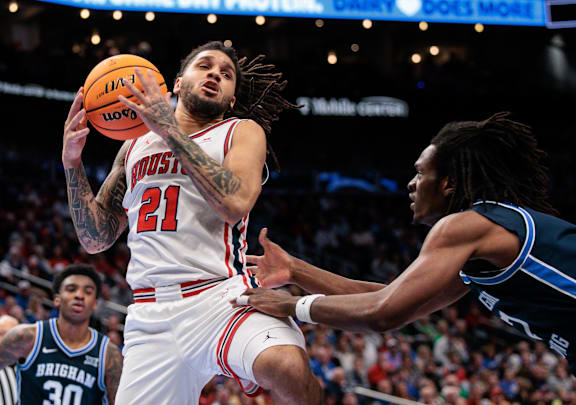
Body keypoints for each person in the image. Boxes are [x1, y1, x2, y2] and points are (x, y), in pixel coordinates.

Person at [62, 40, 321, 404]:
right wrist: (72, 163)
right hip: (152, 314)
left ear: (231, 99)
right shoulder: (134, 146)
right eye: (204, 66)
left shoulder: (240, 132)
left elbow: (234, 204)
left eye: (226, 74)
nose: (215, 73)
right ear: (178, 84)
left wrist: (169, 128)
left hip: (221, 297)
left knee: (288, 367)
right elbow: (95, 238)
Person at [235, 112, 576, 371]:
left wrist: (291, 306)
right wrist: (297, 270)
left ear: (448, 184)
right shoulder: (482, 239)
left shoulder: (467, 226)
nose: (411, 184)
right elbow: (386, 297)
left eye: (420, 173)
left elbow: (383, 314)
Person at [0, 264, 122, 405]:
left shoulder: (108, 354)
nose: (79, 295)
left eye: (88, 292)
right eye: (71, 289)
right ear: (57, 299)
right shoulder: (28, 337)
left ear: (95, 304)